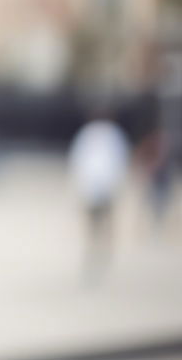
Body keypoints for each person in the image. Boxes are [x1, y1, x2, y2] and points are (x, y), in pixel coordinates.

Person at [67, 110, 132, 280]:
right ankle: (99, 250)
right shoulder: (103, 135)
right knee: (99, 222)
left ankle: (100, 250)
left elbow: (79, 161)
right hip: (96, 186)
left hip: (98, 186)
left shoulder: (98, 134)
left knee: (100, 222)